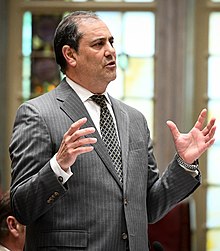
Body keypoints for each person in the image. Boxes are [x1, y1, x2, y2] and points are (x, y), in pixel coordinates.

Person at [9, 11, 216, 251]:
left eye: (111, 41)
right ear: (70, 54)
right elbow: (22, 208)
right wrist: (59, 165)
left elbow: (149, 206)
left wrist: (184, 163)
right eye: (98, 44)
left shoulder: (134, 119)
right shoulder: (36, 114)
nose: (111, 50)